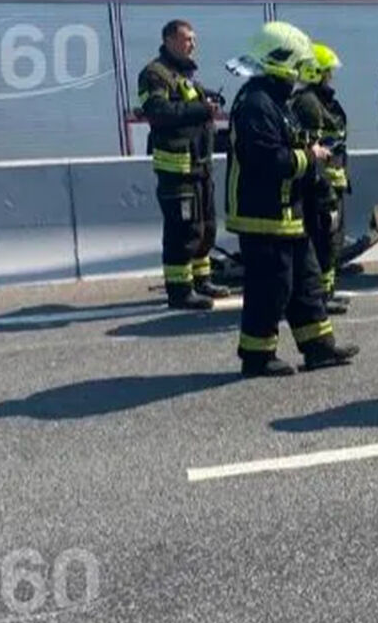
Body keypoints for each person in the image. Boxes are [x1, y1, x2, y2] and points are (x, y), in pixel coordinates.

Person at [224, 21, 359, 378]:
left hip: (288, 212)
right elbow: (268, 160)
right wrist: (310, 157)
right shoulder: (256, 103)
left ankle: (319, 348)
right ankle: (257, 356)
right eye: (297, 65)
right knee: (270, 288)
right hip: (262, 214)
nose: (301, 74)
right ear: (280, 61)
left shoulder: (275, 101)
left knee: (306, 282)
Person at [138, 19, 230, 309]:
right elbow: (159, 111)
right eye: (187, 39)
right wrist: (202, 109)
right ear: (168, 40)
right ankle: (179, 290)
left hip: (200, 165)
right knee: (182, 229)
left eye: (193, 39)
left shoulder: (185, 75)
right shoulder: (154, 74)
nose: (193, 44)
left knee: (205, 227)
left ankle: (202, 280)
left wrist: (208, 100)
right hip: (177, 168)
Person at [290, 42, 350, 315]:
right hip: (321, 186)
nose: (331, 77)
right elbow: (316, 149)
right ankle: (321, 296)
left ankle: (326, 294)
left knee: (330, 241)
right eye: (327, 72)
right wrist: (323, 185)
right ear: (315, 73)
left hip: (331, 183)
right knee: (323, 242)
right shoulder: (308, 104)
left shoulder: (318, 101)